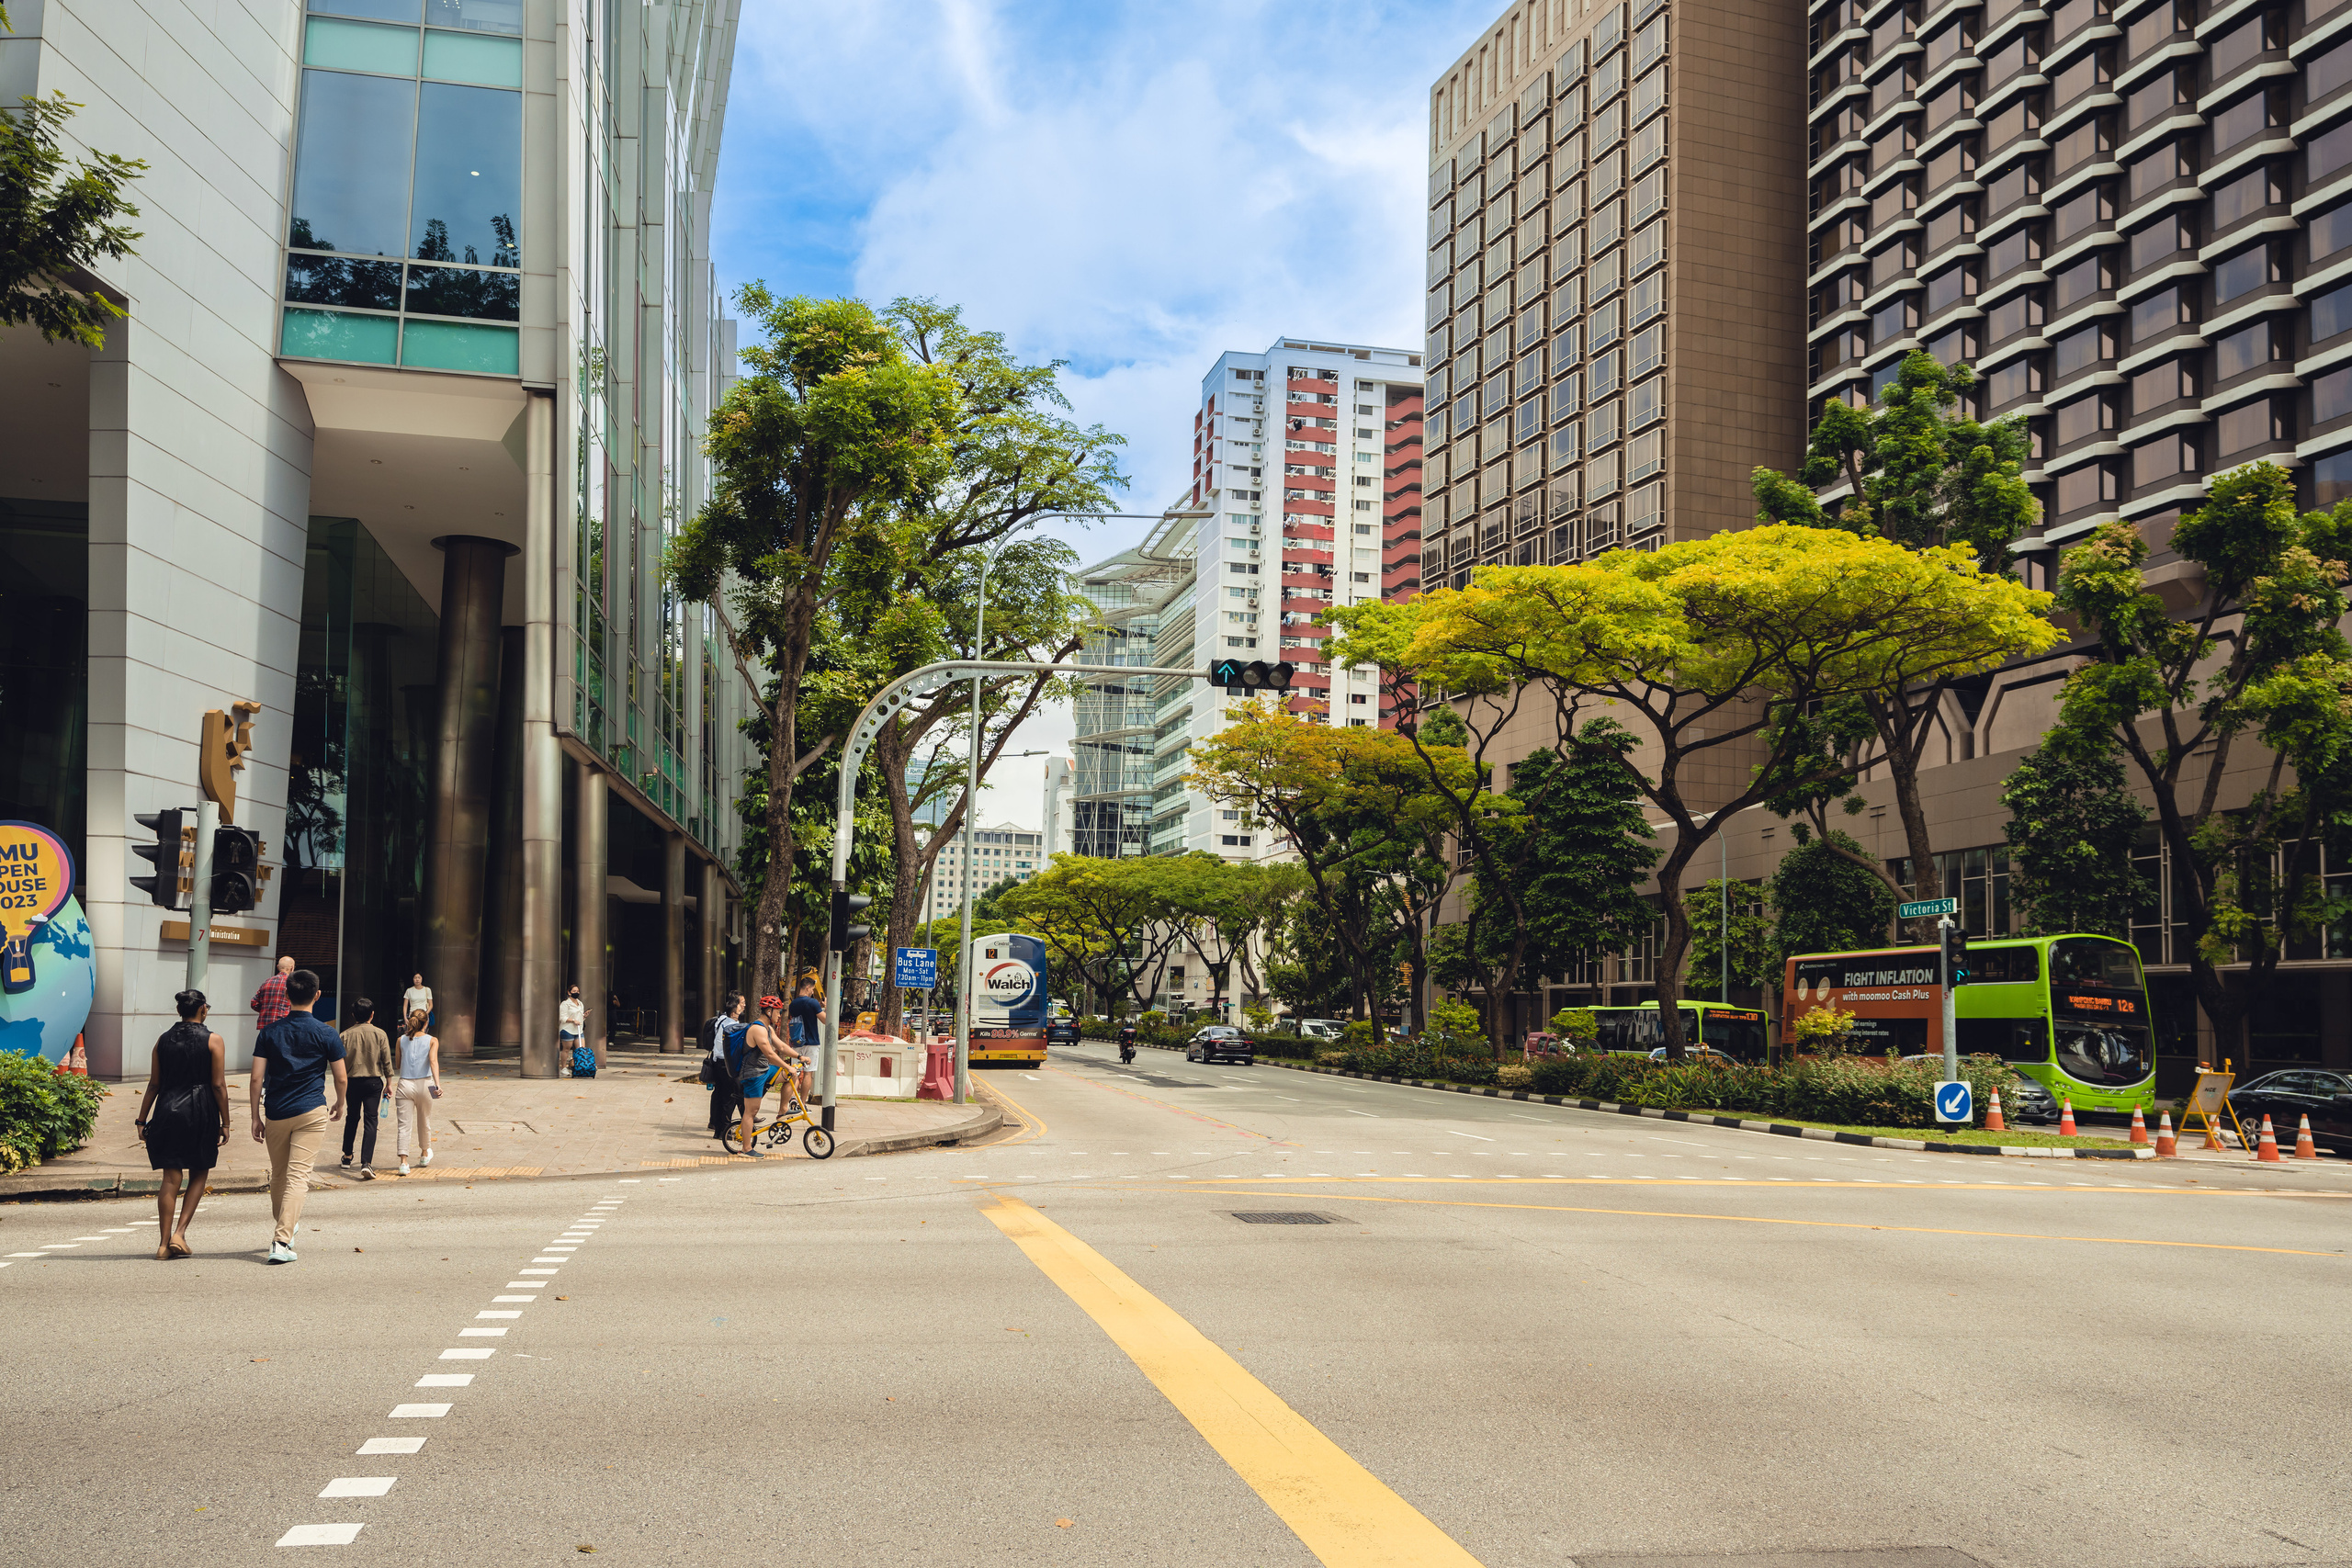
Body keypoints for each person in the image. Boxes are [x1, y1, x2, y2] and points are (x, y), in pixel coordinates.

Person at [249, 968, 345, 1264]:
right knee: (298, 1176)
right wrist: (340, 1103)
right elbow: (341, 1077)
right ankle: (281, 1240)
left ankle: (286, 1228)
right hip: (311, 1110)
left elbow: (256, 1078)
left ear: (286, 995)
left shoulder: (269, 1032)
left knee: (279, 1174)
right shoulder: (327, 1033)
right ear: (317, 995)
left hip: (276, 1111)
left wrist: (255, 1116)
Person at [134, 989, 229, 1259]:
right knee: (199, 1171)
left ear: (179, 1011)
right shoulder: (214, 1040)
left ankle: (163, 1245)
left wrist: (141, 1120)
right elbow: (218, 1085)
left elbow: (154, 1084)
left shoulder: (162, 1040)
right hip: (201, 1111)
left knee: (170, 1177)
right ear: (203, 1010)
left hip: (167, 1110)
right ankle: (180, 1233)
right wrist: (226, 1122)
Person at [734, 996, 805, 1158]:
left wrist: (799, 1057)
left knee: (791, 1075)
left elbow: (782, 1046)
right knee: (751, 1111)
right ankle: (746, 1149)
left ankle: (783, 1110)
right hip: (753, 1074)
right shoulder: (757, 1029)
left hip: (764, 1070)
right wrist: (787, 1066)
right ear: (768, 1011)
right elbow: (770, 1055)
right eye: (778, 1012)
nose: (779, 1015)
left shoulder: (768, 1029)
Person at [338, 997, 392, 1179]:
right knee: (371, 1120)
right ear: (372, 1014)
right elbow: (387, 1061)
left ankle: (347, 1156)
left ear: (353, 1015)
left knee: (352, 1117)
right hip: (373, 1083)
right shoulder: (380, 1034)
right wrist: (389, 1084)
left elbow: (340, 1064)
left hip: (352, 1082)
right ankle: (366, 1163)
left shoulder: (344, 1035)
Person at [393, 1009, 441, 1176]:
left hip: (404, 1084)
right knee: (424, 1120)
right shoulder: (432, 1040)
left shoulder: (400, 1040)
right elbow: (433, 1062)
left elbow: (398, 1065)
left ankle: (403, 1163)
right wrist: (438, 1085)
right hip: (425, 1084)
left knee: (403, 1125)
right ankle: (424, 1154)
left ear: (410, 1021)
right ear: (426, 1023)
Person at [704, 991, 746, 1139]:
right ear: (734, 1007)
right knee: (729, 1098)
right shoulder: (732, 1025)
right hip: (727, 1065)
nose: (744, 1006)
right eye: (742, 1003)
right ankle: (724, 1130)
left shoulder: (720, 1019)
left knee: (720, 1094)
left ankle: (717, 1127)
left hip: (717, 1062)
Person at [787, 977, 823, 1103]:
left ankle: (793, 1097)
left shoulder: (793, 1004)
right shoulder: (813, 1002)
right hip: (812, 1042)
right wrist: (825, 1007)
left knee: (795, 1072)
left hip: (797, 1042)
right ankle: (802, 1103)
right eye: (812, 989)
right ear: (808, 987)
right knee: (808, 1073)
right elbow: (825, 1020)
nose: (813, 992)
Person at [250, 953, 296, 1035]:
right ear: (292, 968)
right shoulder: (292, 984)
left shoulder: (267, 982)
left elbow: (254, 1003)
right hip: (283, 1026)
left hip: (265, 1027)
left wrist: (266, 1010)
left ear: (278, 967)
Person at [560, 984, 590, 1077]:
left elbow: (579, 1017)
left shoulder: (580, 1003)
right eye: (574, 991)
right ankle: (563, 1067)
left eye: (577, 991)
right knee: (566, 1049)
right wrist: (573, 1020)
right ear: (569, 993)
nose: (576, 993)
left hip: (578, 1030)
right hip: (567, 1029)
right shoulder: (565, 1004)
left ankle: (578, 1067)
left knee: (581, 1049)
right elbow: (562, 1017)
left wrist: (584, 1016)